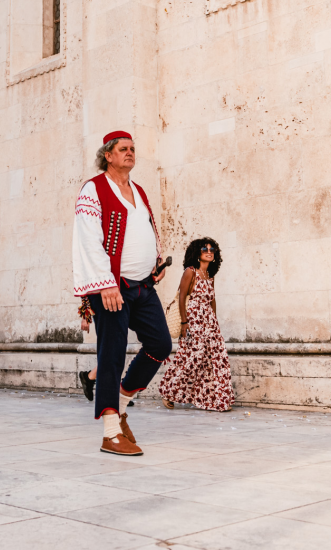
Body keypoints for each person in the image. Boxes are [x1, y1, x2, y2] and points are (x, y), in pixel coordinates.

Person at [72, 131, 169, 456]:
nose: (129, 153)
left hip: (143, 285)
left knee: (160, 344)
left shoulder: (137, 190)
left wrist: (156, 260)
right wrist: (104, 283)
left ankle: (123, 402)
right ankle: (110, 432)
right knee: (112, 354)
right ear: (108, 155)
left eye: (132, 148)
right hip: (111, 287)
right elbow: (88, 239)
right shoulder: (94, 189)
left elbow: (145, 228)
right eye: (122, 149)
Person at [159, 238, 233, 412]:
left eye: (212, 249)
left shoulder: (210, 275)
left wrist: (215, 323)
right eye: (204, 248)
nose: (209, 251)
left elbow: (212, 300)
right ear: (197, 253)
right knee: (191, 358)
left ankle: (212, 399)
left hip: (209, 322)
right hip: (193, 320)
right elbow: (182, 297)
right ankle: (168, 391)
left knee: (214, 359)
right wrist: (185, 322)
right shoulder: (190, 272)